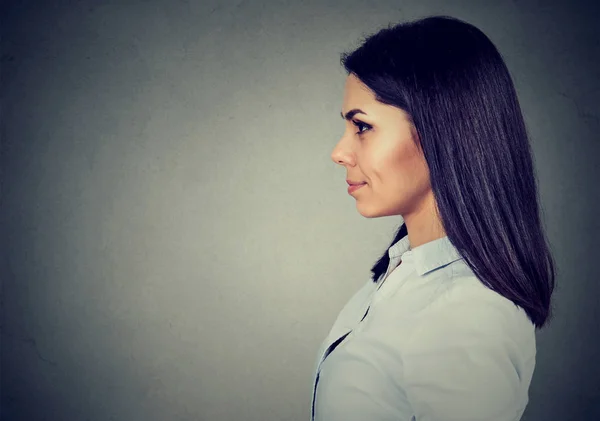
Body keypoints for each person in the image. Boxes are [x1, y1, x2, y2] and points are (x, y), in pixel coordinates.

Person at [310, 15, 556, 421]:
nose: (340, 151)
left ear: (440, 130)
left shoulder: (468, 313)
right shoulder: (402, 272)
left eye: (362, 126)